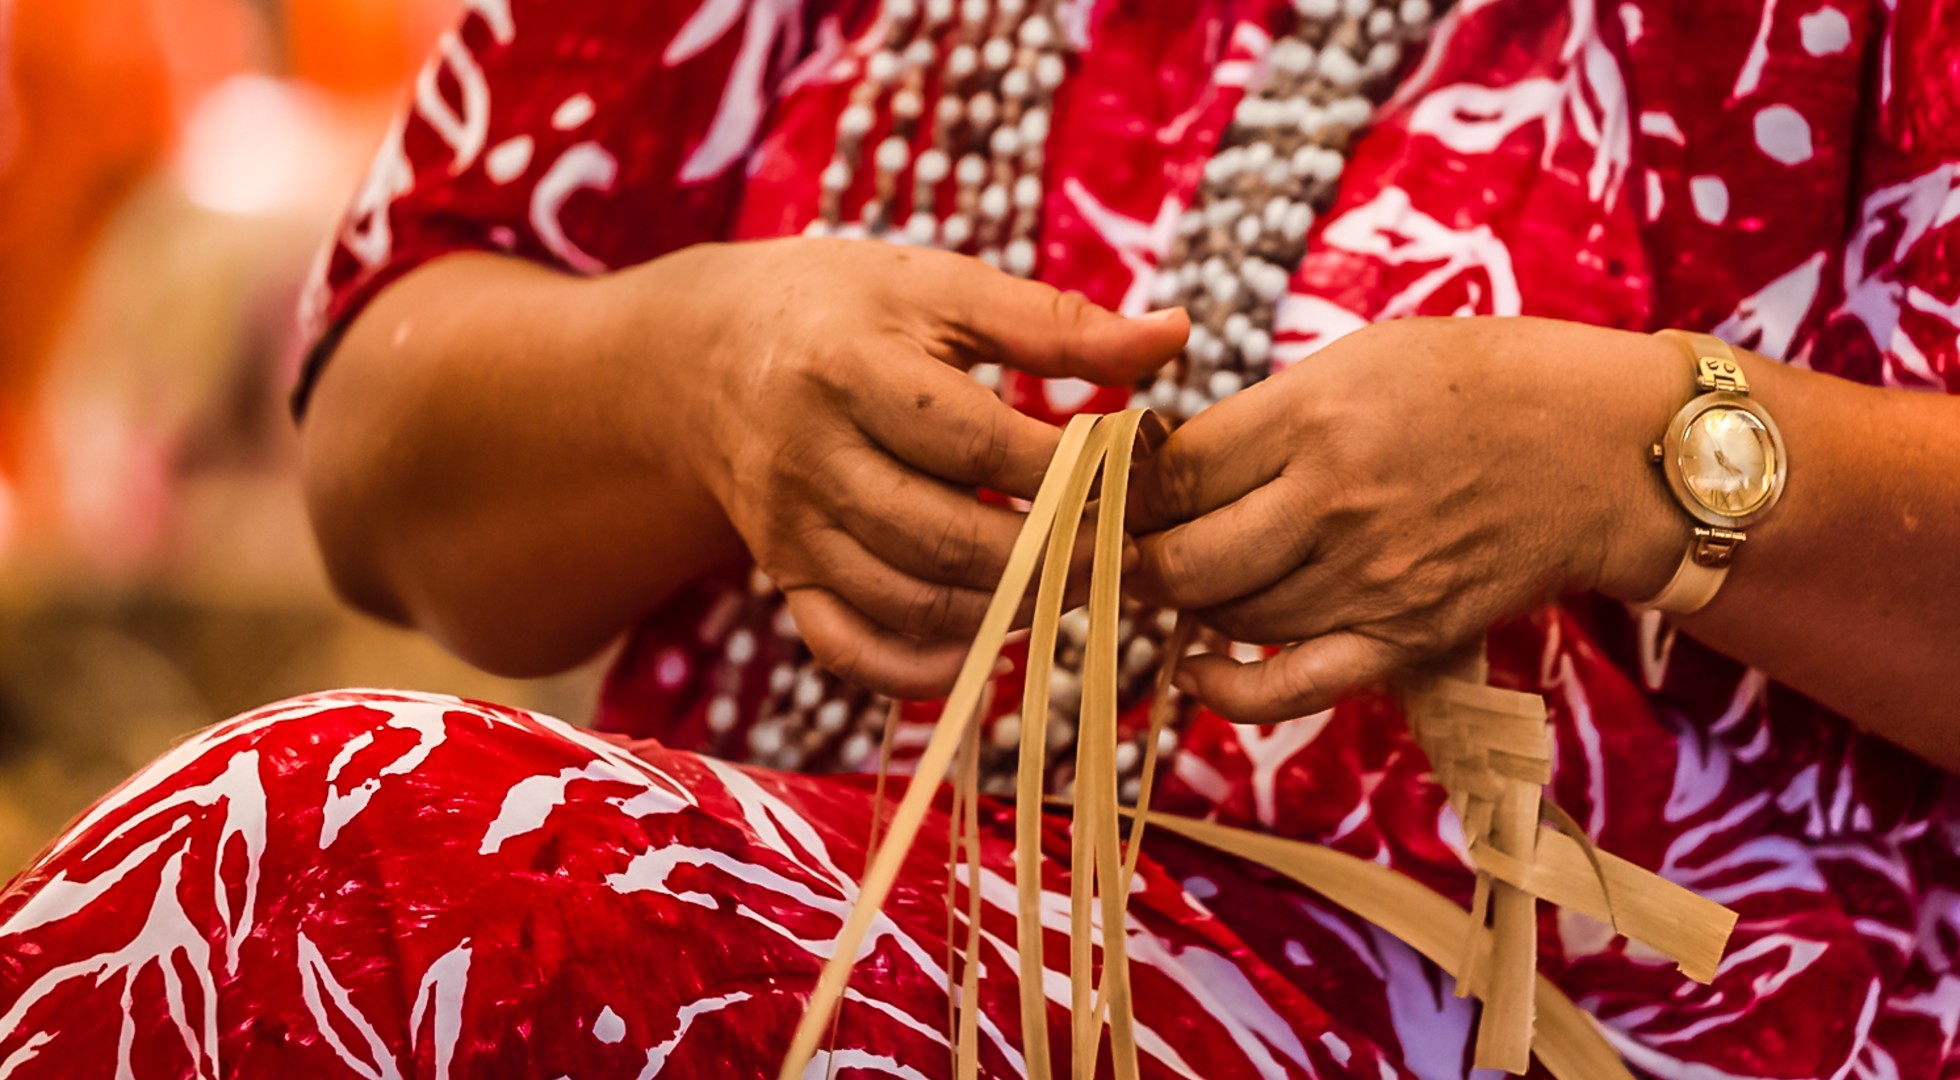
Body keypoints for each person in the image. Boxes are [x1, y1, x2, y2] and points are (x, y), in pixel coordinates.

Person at [4, 0, 1958, 1075]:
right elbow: (380, 472)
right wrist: (685, 370)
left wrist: (1659, 460)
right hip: (821, 927)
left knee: (328, 857)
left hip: (1634, 1028)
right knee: (303, 884)